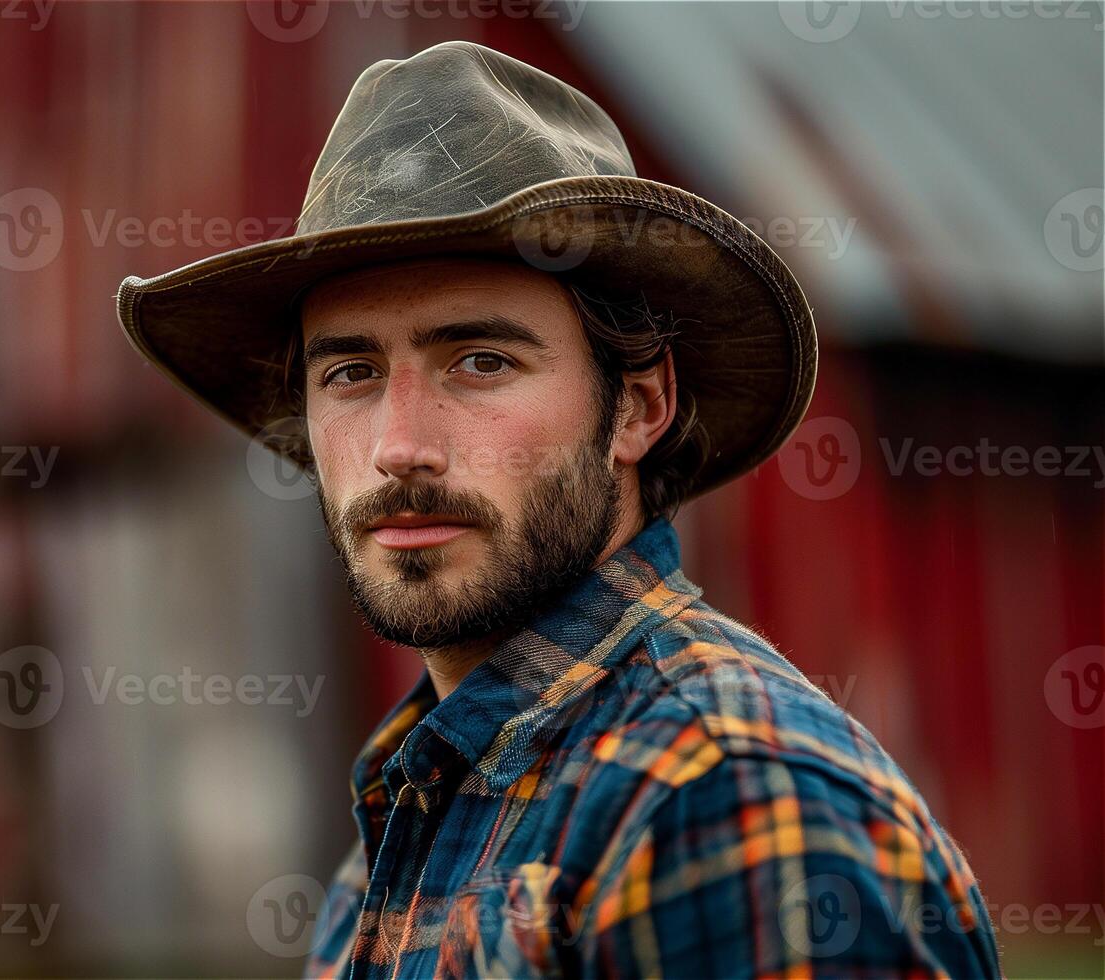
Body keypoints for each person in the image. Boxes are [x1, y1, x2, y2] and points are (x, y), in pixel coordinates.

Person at [115, 41, 1000, 978]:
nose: (398, 444)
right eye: (351, 373)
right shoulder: (411, 813)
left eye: (480, 361)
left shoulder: (725, 790)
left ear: (637, 407)